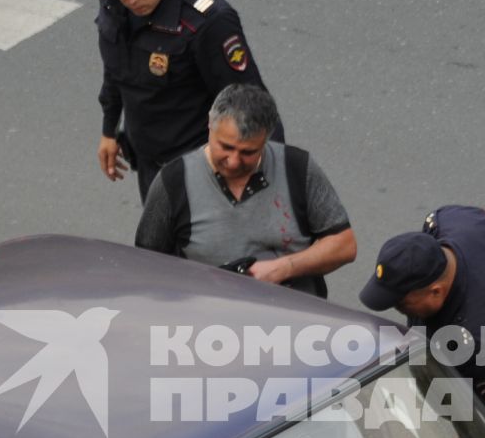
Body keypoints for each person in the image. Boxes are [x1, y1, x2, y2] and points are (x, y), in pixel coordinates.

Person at [94, 0, 275, 198]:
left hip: (202, 176)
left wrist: (273, 184)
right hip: (150, 167)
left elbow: (251, 103)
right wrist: (109, 129)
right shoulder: (114, 1)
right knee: (154, 241)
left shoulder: (207, 22)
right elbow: (116, 68)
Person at [134, 85, 355, 297]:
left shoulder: (296, 168)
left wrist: (284, 268)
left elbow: (344, 245)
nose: (233, 162)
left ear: (266, 138)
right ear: (210, 125)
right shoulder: (173, 182)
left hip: (294, 321)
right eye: (226, 147)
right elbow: (146, 264)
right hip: (210, 326)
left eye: (248, 152)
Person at [359, 206, 485, 411]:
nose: (396, 308)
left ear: (436, 291)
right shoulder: (453, 220)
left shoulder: (480, 345)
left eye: (402, 304)